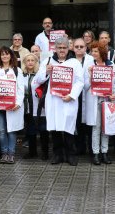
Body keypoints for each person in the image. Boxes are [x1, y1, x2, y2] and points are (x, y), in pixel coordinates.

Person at [34, 37, 84, 166]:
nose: (62, 50)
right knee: (55, 128)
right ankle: (57, 154)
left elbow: (80, 81)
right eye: (59, 48)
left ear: (68, 48)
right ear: (55, 49)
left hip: (68, 100)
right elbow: (38, 80)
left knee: (68, 128)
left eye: (64, 48)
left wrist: (72, 95)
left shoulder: (75, 63)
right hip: (53, 100)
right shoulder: (48, 61)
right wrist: (46, 71)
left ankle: (71, 155)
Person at [0, 46, 24, 164]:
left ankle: (11, 154)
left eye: (7, 54)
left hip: (12, 106)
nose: (5, 56)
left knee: (11, 130)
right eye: (2, 54)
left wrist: (18, 103)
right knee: (1, 131)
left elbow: (21, 89)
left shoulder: (17, 71)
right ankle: (4, 154)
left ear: (11, 56)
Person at [84, 41, 115, 165]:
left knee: (106, 128)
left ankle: (105, 152)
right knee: (96, 128)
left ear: (102, 52)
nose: (93, 53)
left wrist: (114, 94)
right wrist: (90, 75)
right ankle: (96, 153)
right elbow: (85, 86)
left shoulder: (110, 65)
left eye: (96, 51)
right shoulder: (89, 65)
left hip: (107, 100)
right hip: (94, 100)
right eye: (92, 51)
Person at [22, 53, 49, 160]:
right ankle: (32, 152)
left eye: (32, 60)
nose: (30, 62)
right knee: (31, 131)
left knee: (43, 130)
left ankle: (45, 152)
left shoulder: (40, 74)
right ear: (24, 63)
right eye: (28, 60)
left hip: (40, 107)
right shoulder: (21, 75)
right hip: (27, 107)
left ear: (36, 62)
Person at [73, 38, 94, 156]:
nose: (79, 49)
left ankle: (92, 149)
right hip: (75, 95)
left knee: (90, 123)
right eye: (77, 47)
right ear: (73, 48)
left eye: (82, 46)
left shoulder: (91, 60)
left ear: (86, 48)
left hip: (89, 94)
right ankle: (79, 148)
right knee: (77, 122)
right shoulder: (70, 61)